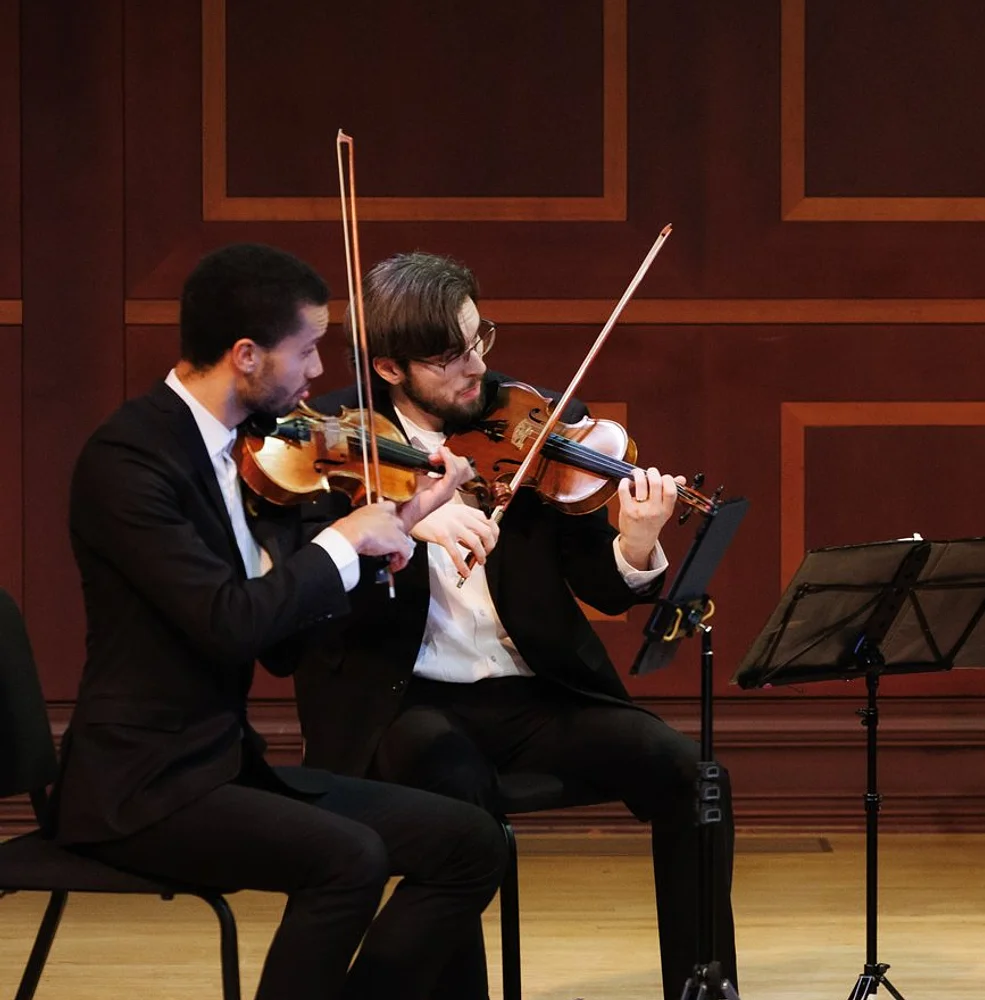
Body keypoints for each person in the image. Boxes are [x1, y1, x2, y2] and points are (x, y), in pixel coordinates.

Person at [55, 242, 504, 1000]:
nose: (319, 372)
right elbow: (228, 625)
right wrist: (343, 542)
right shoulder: (132, 460)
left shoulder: (251, 456)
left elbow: (284, 646)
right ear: (247, 356)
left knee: (470, 843)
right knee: (350, 860)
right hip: (142, 786)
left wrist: (391, 531)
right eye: (306, 350)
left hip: (225, 766)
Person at [280, 250, 737, 994]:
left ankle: (704, 990)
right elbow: (296, 593)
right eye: (449, 356)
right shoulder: (330, 439)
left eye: (478, 339)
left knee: (694, 775)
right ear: (390, 368)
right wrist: (399, 521)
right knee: (457, 805)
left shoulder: (530, 422)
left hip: (535, 694)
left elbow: (601, 585)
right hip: (402, 703)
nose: (476, 367)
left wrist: (638, 540)